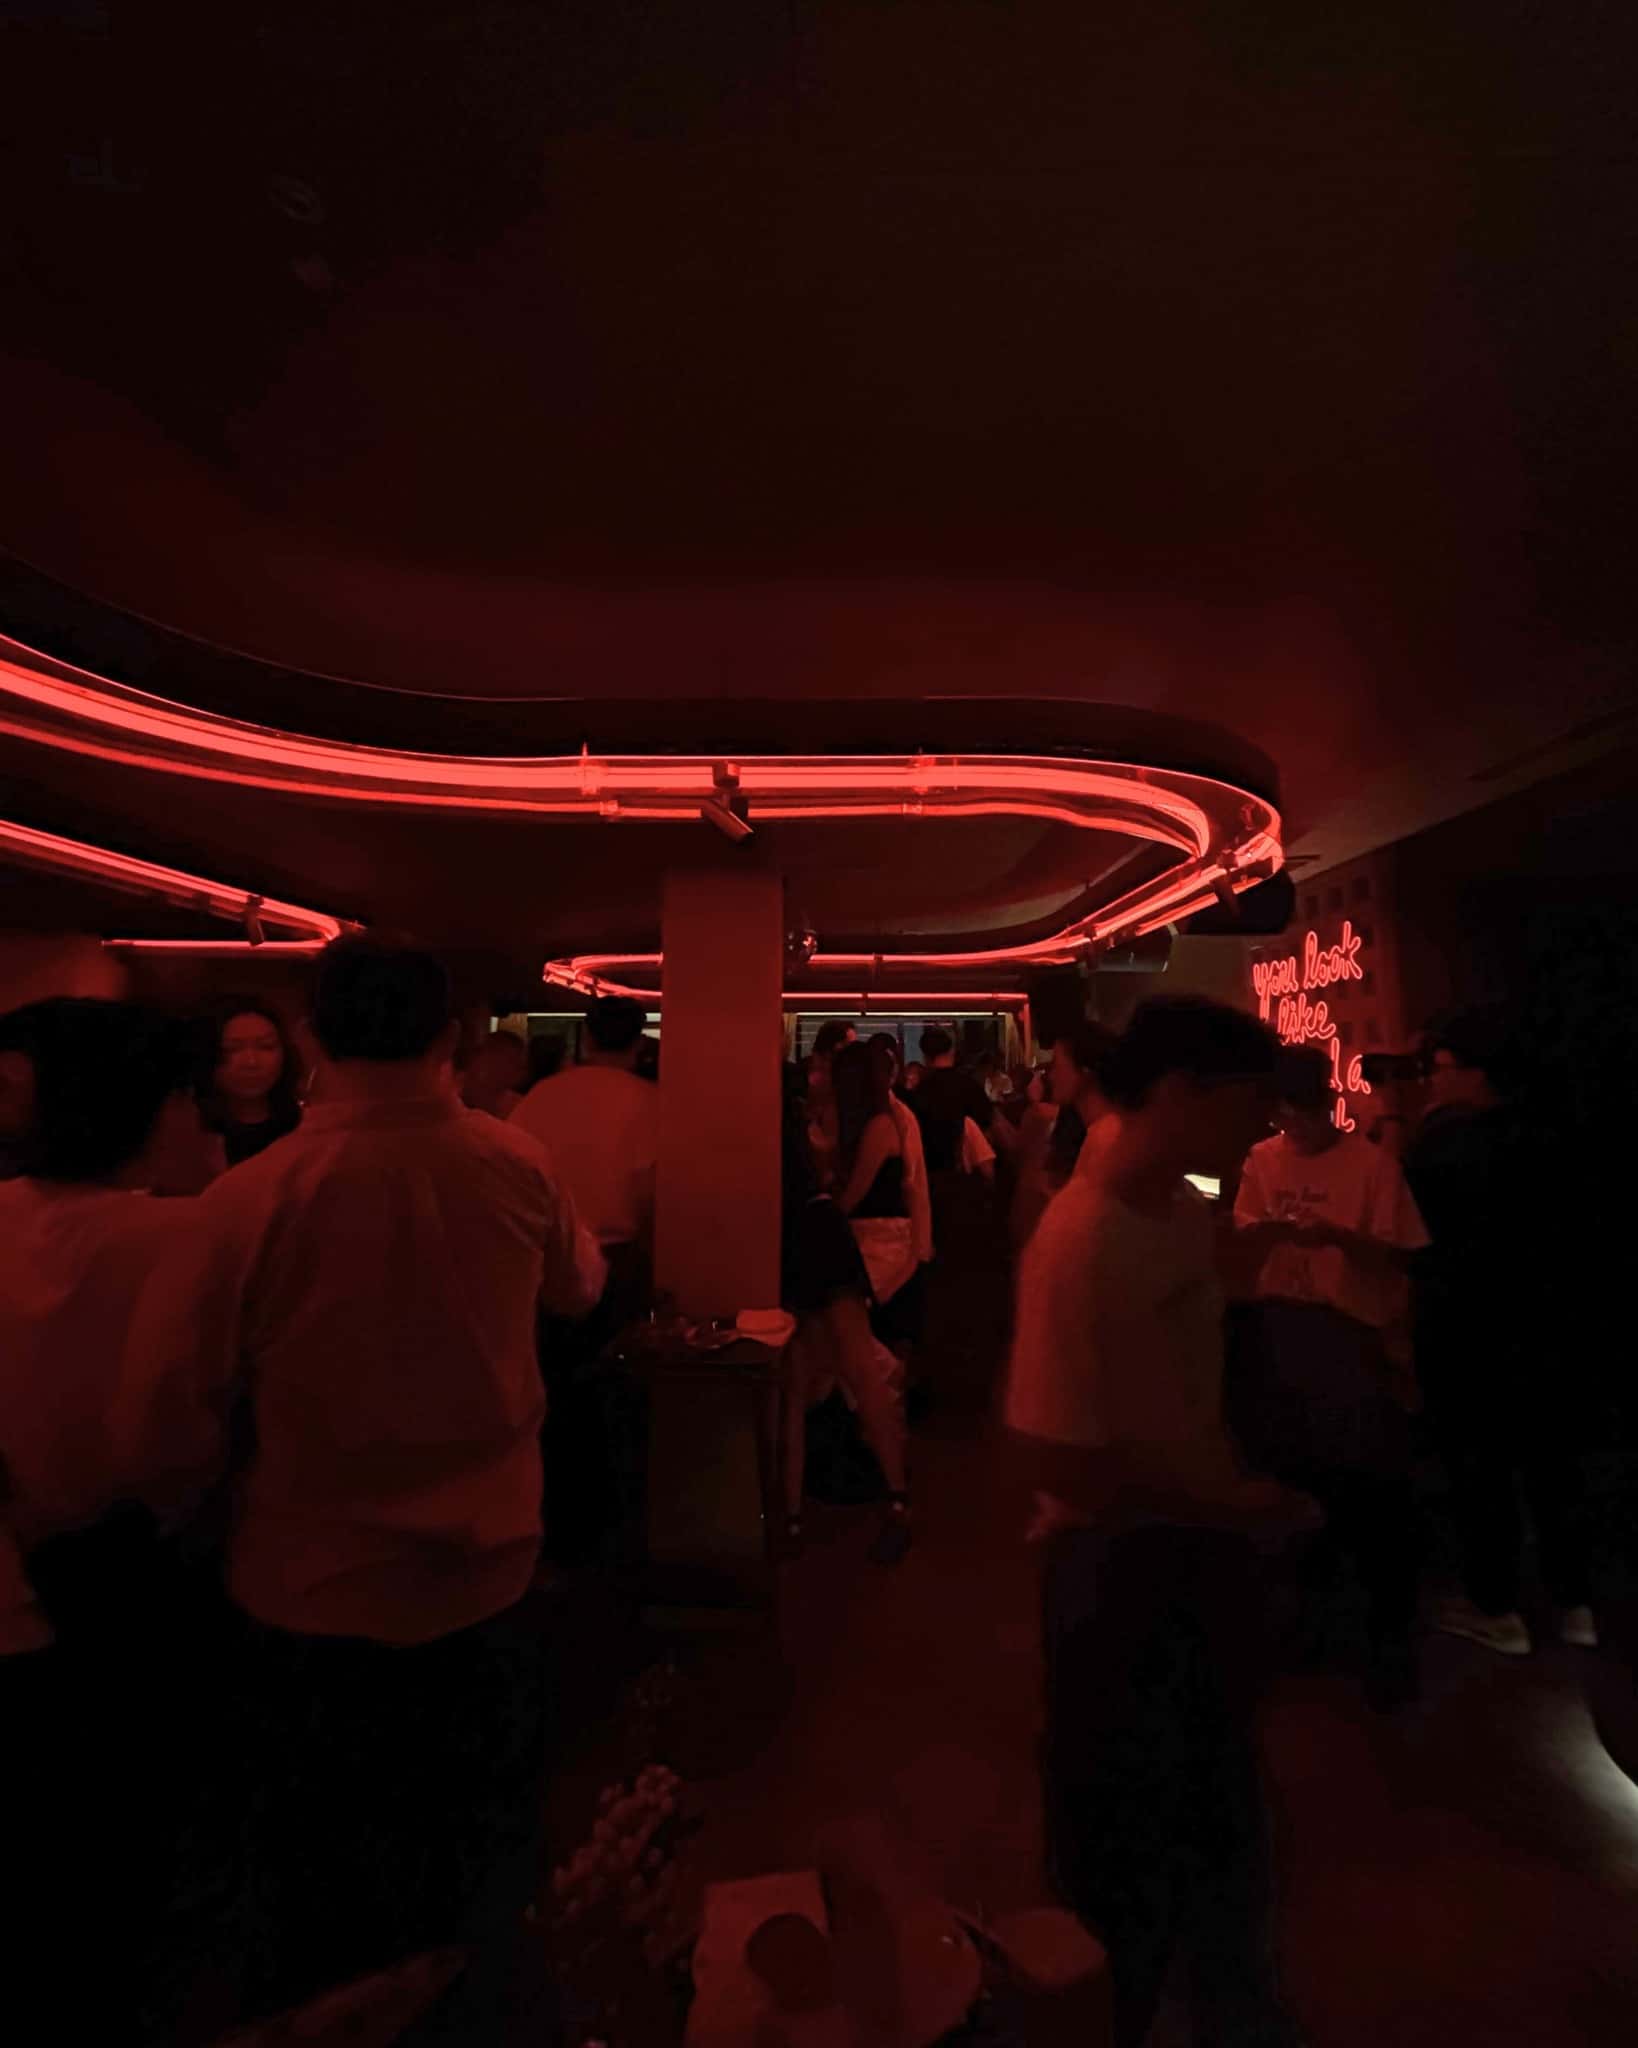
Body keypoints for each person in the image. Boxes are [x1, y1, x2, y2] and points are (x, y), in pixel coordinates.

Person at [119, 939, 606, 2010]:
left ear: (310, 1036)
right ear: (453, 1038)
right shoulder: (513, 1164)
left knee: (329, 1902)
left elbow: (161, 1421)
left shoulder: (253, 1197)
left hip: (309, 1590)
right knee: (482, 1879)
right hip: (491, 1577)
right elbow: (578, 1289)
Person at [1005, 996, 1312, 2048]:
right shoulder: (1081, 1234)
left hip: (1186, 1543)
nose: (1257, 1129)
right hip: (1119, 1561)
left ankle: (1222, 1995)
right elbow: (1050, 1452)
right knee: (1124, 1826)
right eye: (1246, 1106)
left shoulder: (1171, 1209)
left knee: (1210, 1798)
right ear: (1181, 1092)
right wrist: (1226, 1502)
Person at [0, 997, 223, 2036]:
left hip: (25, 1570)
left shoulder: (8, 1215)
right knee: (129, 1854)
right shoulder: (183, 1235)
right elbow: (193, 1433)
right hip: (137, 1574)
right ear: (158, 1103)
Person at [1229, 1044, 1430, 1706]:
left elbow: (1402, 1258)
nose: (1295, 1127)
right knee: (1303, 1487)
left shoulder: (1372, 1167)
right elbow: (1244, 1238)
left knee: (1368, 1496)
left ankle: (1383, 1644)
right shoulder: (1262, 1161)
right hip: (1287, 1333)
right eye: (1285, 1115)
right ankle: (1315, 1629)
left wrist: (1337, 1239)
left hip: (1353, 1342)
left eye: (1303, 1113)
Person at [1403, 1010, 1597, 1655]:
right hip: (1550, 1324)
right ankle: (1577, 1602)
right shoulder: (1558, 1132)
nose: (1430, 1079)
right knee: (1554, 1464)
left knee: (1478, 1467)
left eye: (1439, 1068)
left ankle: (1497, 1606)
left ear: (1475, 1072)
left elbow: (1411, 1231)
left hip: (1465, 1329)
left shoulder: (1441, 1144)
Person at [779, 1062, 912, 1566]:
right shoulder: (844, 1122)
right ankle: (896, 1497)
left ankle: (789, 1515)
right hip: (826, 1234)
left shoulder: (788, 1123)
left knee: (798, 1381)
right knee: (855, 1367)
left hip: (798, 1238)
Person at [511, 994, 660, 1269]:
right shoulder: (650, 1101)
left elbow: (512, 1171)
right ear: (639, 1042)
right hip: (619, 1256)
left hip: (544, 1251)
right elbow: (649, 1192)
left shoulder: (542, 1095)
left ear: (587, 1038)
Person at [198, 998, 303, 1167]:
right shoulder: (192, 1131)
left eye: (266, 1046)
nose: (251, 1062)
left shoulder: (302, 1127)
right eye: (232, 1049)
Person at [909, 1025, 993, 1172]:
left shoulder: (920, 1091)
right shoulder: (969, 1086)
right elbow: (987, 1127)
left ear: (925, 1055)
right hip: (965, 1171)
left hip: (929, 1170)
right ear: (952, 1050)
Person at [459, 1025, 528, 1119]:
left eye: (521, 1065)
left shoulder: (520, 1106)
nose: (522, 1071)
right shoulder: (452, 1094)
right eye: (511, 1062)